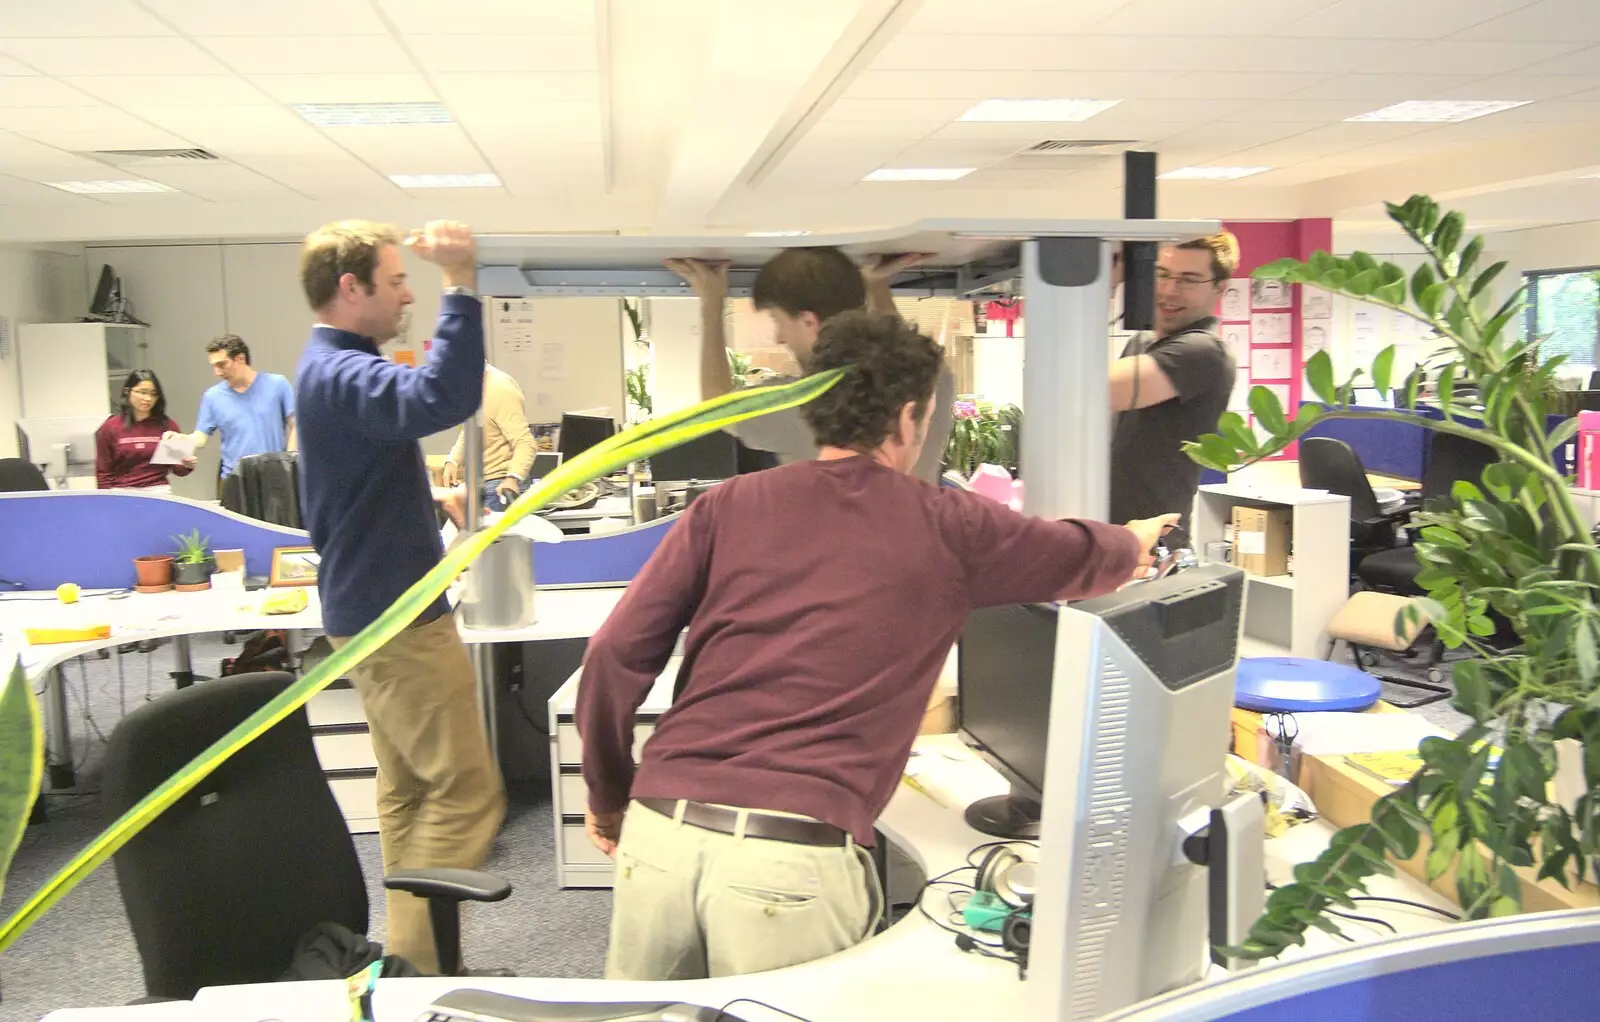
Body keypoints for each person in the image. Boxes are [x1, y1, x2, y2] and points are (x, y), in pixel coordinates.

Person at [576, 310, 1177, 981]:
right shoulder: (950, 525)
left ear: (814, 407)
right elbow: (1080, 554)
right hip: (790, 864)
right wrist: (1137, 539)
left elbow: (612, 653)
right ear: (910, 415)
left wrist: (607, 792)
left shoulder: (728, 505)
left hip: (660, 834)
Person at [293, 219, 505, 974]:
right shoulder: (341, 373)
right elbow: (441, 396)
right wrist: (460, 281)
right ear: (350, 289)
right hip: (396, 618)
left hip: (369, 609)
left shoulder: (333, 370)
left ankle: (413, 962)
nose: (407, 293)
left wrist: (420, 501)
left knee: (412, 793)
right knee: (469, 793)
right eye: (396, 281)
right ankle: (417, 969)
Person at [667, 248, 956, 484]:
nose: (779, 337)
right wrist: (876, 285)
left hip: (840, 554)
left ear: (809, 322)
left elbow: (717, 407)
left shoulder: (810, 407)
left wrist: (711, 301)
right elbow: (900, 348)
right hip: (922, 548)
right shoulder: (935, 381)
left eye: (778, 322)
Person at [1109, 232, 1240, 541]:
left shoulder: (1203, 351)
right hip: (1114, 535)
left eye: (1188, 280)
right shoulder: (1142, 343)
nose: (1169, 290)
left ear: (1220, 287)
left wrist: (1106, 283)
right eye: (1162, 274)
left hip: (1151, 542)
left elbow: (1089, 392)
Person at [171, 334, 296, 483]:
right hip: (235, 479)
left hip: (275, 476)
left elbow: (296, 425)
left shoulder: (277, 384)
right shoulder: (212, 396)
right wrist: (181, 440)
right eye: (213, 366)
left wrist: (290, 462)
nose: (217, 372)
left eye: (222, 364)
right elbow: (200, 437)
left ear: (240, 359)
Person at [440, 364, 537, 512]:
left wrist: (512, 478)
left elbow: (525, 442)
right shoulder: (473, 388)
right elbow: (471, 431)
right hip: (481, 486)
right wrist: (453, 460)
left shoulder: (500, 388)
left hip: (500, 489)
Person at [95, 369, 197, 490]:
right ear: (127, 391)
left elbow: (178, 470)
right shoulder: (110, 427)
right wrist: (106, 501)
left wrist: (187, 465)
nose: (148, 398)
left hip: (158, 490)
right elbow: (103, 473)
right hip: (122, 491)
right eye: (142, 392)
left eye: (153, 394)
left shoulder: (167, 426)